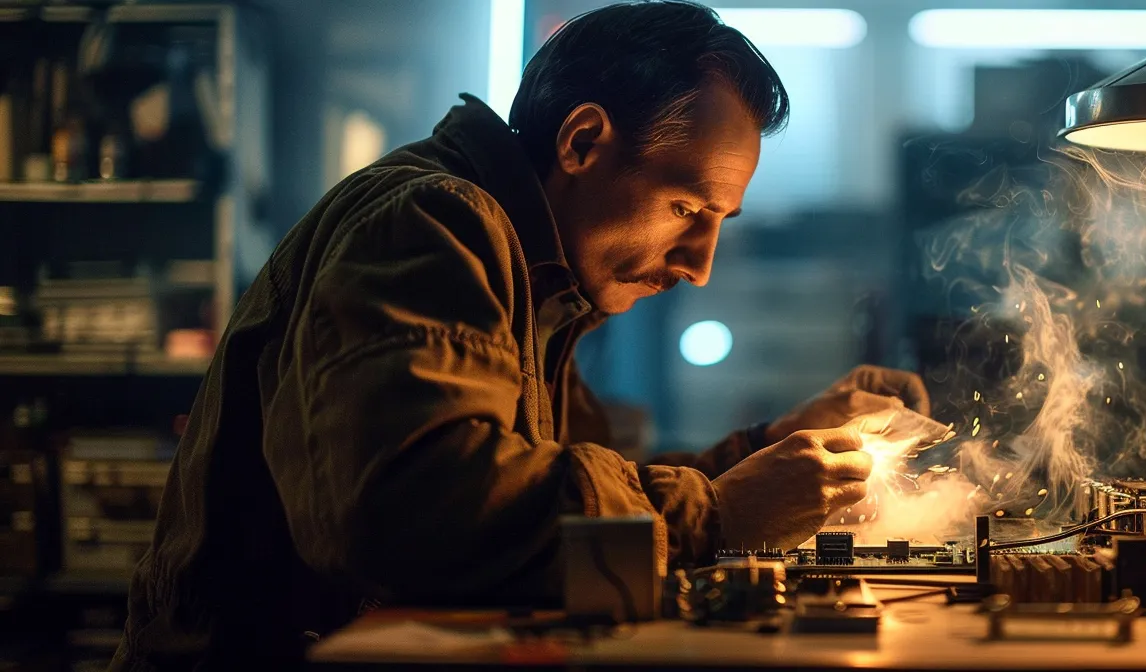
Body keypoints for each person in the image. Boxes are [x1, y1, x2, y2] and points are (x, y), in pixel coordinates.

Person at [111, 2, 927, 669]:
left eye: (719, 223)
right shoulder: (437, 222)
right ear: (581, 142)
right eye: (687, 209)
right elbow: (421, 512)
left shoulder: (539, 283)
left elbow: (558, 495)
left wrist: (771, 447)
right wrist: (717, 513)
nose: (700, 264)